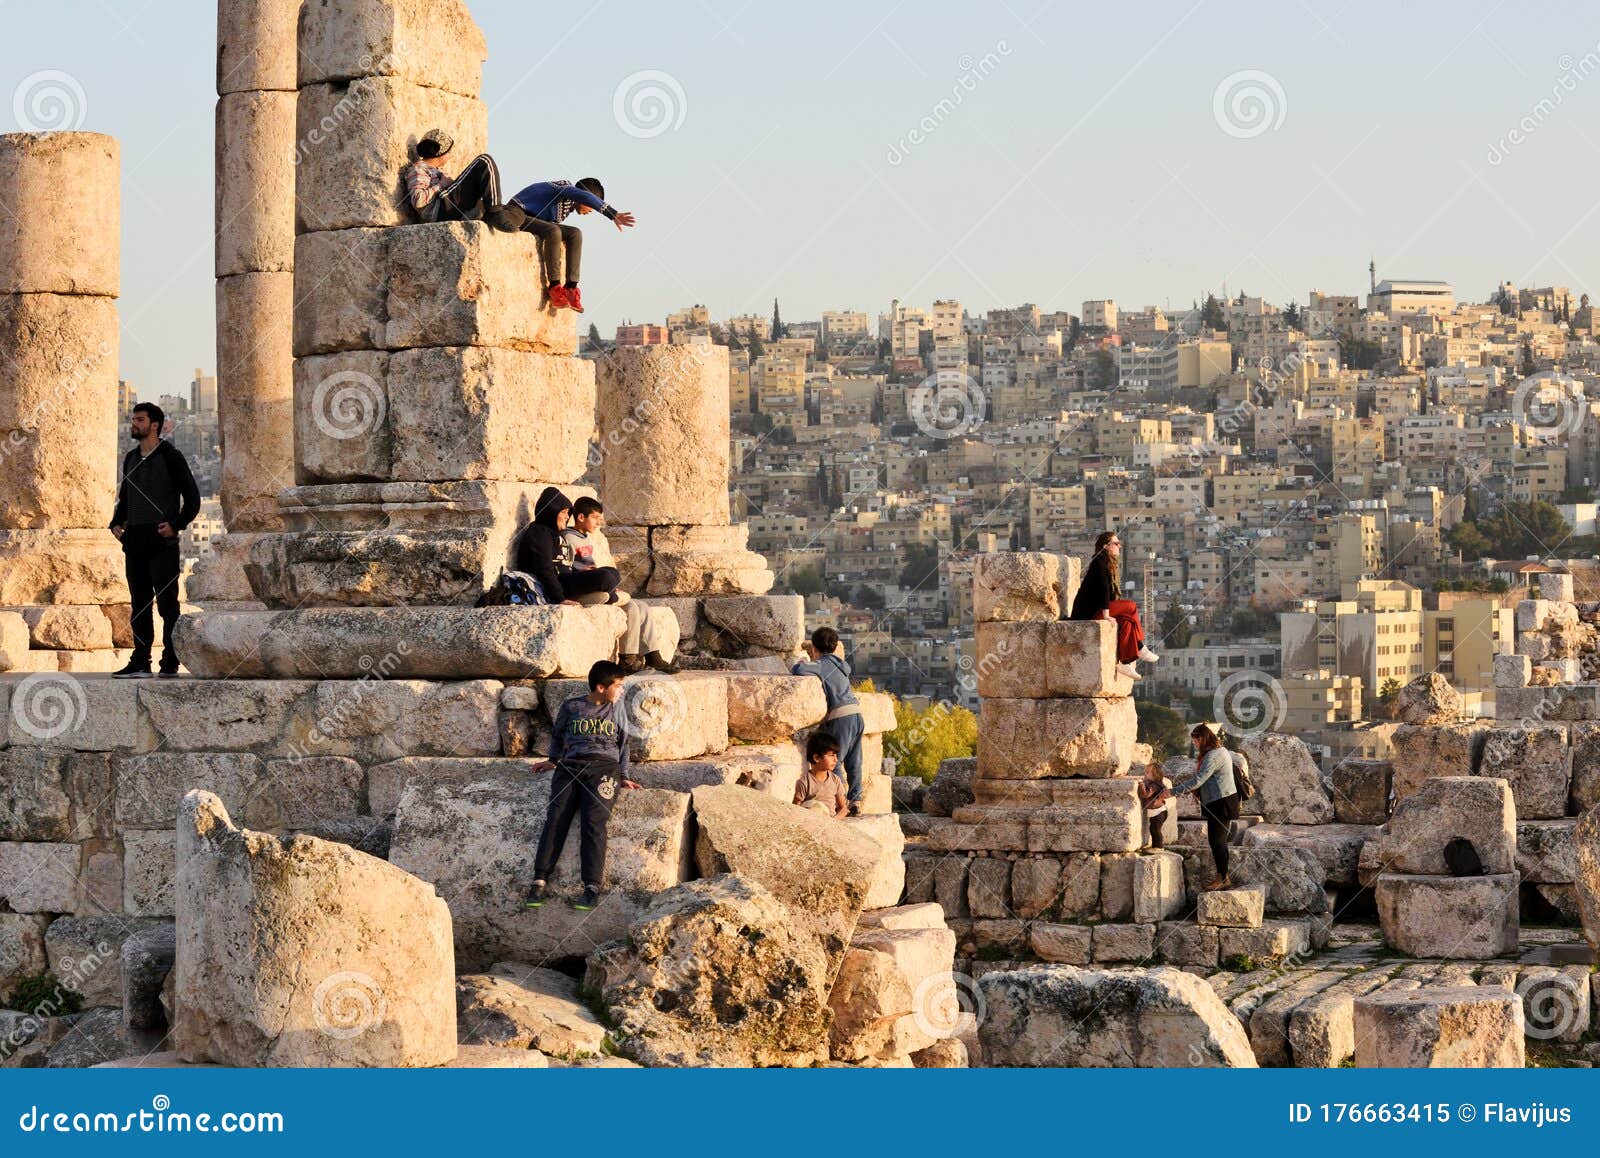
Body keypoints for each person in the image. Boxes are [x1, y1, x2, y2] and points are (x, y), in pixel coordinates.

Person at [525, 660, 640, 912]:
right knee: (556, 818)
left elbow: (624, 744)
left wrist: (623, 775)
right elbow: (558, 735)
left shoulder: (617, 709)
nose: (621, 691)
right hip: (570, 768)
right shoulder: (572, 706)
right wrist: (553, 761)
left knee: (593, 822)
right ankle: (539, 880)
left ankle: (591, 888)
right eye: (618, 686)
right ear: (601, 687)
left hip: (603, 770)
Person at [109, 403, 199, 679]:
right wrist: (115, 523)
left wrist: (176, 525)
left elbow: (193, 498)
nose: (134, 423)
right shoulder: (130, 458)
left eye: (139, 419)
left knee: (168, 604)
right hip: (135, 540)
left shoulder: (171, 457)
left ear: (155, 425)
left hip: (162, 543)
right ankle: (140, 660)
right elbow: (126, 497)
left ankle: (170, 660)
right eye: (133, 419)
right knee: (139, 603)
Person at [561, 497, 679, 674]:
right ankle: (627, 659)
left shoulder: (583, 538)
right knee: (631, 607)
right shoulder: (567, 538)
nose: (598, 522)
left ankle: (653, 656)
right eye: (594, 518)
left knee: (643, 606)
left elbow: (589, 566)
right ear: (580, 517)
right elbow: (567, 570)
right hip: (581, 591)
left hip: (594, 585)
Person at [508, 178, 636, 312]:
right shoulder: (565, 190)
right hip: (517, 214)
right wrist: (612, 213)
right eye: (591, 205)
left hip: (534, 220)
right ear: (582, 197)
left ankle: (571, 288)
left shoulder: (567, 206)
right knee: (553, 231)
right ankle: (555, 287)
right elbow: (584, 195)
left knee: (575, 233)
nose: (591, 210)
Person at [792, 627, 865, 816]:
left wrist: (802, 661)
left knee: (835, 760)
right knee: (855, 760)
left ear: (815, 648)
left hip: (840, 716)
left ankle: (839, 804)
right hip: (856, 714)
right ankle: (856, 800)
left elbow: (798, 670)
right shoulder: (842, 665)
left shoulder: (821, 664)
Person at [1069, 529, 1159, 682]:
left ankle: (1126, 662)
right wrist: (1106, 615)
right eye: (1116, 543)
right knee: (1131, 606)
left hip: (1099, 609)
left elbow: (1111, 595)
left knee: (1127, 622)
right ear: (1105, 546)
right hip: (1089, 613)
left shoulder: (1109, 564)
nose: (1119, 546)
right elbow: (1103, 590)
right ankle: (1140, 647)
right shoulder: (1100, 563)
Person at [402, 128, 523, 229]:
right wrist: (442, 184)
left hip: (448, 207)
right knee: (484, 161)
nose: (450, 156)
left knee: (513, 211)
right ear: (440, 153)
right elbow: (418, 200)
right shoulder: (419, 169)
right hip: (440, 211)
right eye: (449, 152)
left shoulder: (438, 170)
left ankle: (536, 227)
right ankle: (495, 212)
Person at [1167, 724, 1240, 890]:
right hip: (1219, 801)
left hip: (1221, 802)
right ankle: (1223, 876)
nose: (1195, 745)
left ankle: (1223, 878)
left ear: (1202, 739)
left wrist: (1172, 792)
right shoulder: (1219, 751)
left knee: (1217, 841)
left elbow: (1198, 780)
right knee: (1218, 841)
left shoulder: (1213, 756)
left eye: (1195, 742)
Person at [514, 487, 612, 606]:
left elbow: (565, 563)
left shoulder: (556, 534)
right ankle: (585, 597)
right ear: (552, 512)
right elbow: (544, 569)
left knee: (613, 573)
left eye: (568, 512)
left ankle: (597, 596)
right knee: (605, 577)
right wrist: (559, 598)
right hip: (557, 585)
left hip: (566, 579)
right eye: (564, 512)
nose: (567, 517)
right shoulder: (540, 533)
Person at [793, 732, 849, 819]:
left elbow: (844, 809)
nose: (836, 759)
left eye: (836, 755)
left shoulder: (835, 780)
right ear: (816, 758)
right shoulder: (804, 782)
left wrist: (833, 821)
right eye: (831, 755)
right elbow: (795, 809)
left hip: (831, 823)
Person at [1137, 761, 1171, 849]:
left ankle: (1159, 847)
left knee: (1155, 830)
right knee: (1154, 829)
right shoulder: (1155, 784)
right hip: (1158, 812)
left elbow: (1145, 794)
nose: (1145, 774)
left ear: (1155, 775)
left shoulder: (1154, 785)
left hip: (1158, 812)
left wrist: (1141, 785)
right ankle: (1156, 846)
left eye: (1147, 773)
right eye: (1145, 772)